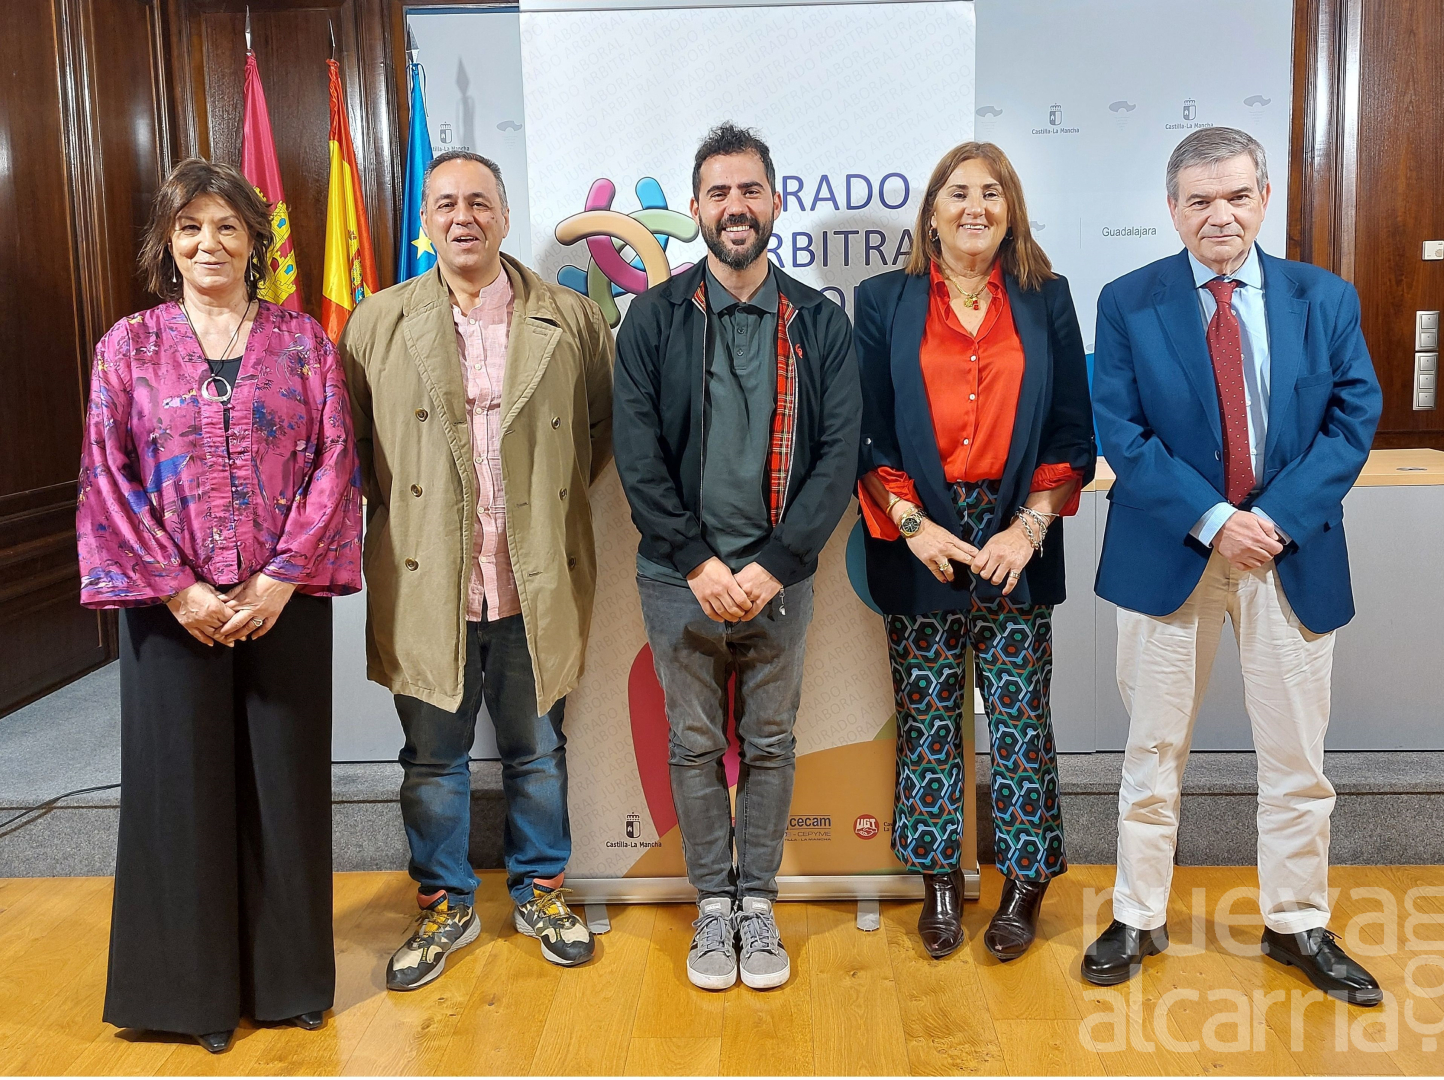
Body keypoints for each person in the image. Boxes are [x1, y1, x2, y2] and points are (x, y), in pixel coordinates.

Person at [1083, 127, 1383, 1005]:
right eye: (1200, 200)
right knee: (1152, 749)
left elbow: (1351, 420)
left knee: (1297, 757)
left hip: (1289, 555)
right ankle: (1138, 914)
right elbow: (1122, 431)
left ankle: (1297, 921)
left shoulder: (1322, 297)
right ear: (1171, 208)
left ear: (1263, 199)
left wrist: (1272, 521)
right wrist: (1216, 521)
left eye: (1237, 196)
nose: (1220, 215)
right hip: (1171, 552)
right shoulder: (1127, 301)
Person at [76, 158, 362, 1053]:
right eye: (191, 226)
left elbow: (335, 462)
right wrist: (178, 588)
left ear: (254, 242)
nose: (210, 242)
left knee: (285, 786)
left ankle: (289, 982)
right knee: (181, 792)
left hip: (283, 601)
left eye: (228, 226)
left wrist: (280, 576)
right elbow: (107, 476)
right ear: (168, 242)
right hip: (170, 608)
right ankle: (190, 997)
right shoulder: (128, 346)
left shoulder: (304, 343)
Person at [339, 151, 613, 987]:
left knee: (538, 752)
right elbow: (357, 447)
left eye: (480, 202)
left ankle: (542, 893)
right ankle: (444, 905)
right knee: (431, 761)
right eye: (447, 204)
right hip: (428, 581)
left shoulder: (569, 318)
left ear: (504, 214)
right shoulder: (376, 323)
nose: (464, 218)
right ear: (427, 220)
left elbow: (596, 436)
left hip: (534, 578)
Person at [614, 123, 861, 991]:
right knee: (692, 745)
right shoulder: (653, 318)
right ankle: (711, 909)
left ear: (776, 202)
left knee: (770, 742)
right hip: (678, 579)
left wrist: (775, 562)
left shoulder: (820, 323)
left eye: (750, 190)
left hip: (778, 580)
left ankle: (757, 904)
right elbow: (637, 454)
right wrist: (696, 561)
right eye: (718, 192)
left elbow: (838, 456)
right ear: (695, 208)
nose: (735, 206)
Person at [854, 142, 1094, 962]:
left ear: (1010, 210)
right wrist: (912, 524)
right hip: (920, 529)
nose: (975, 207)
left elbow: (1072, 429)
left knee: (1021, 717)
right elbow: (867, 427)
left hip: (1015, 529)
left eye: (992, 192)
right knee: (927, 715)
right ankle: (938, 881)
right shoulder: (883, 300)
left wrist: (1028, 529)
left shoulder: (1046, 297)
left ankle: (1025, 882)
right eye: (958, 192)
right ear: (931, 212)